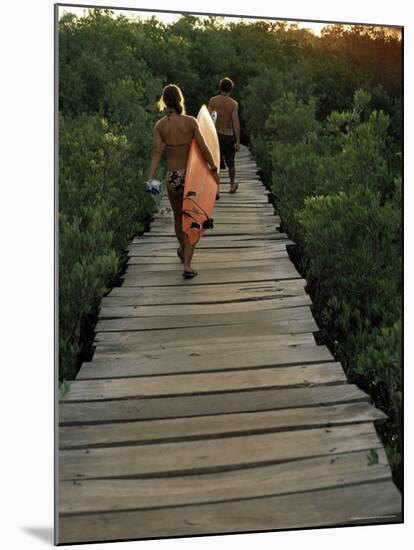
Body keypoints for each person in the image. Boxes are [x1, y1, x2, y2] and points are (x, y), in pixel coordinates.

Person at [147, 84, 220, 279]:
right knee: (193, 219)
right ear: (180, 99)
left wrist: (151, 177)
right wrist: (213, 169)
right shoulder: (190, 122)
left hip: (172, 177)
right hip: (190, 176)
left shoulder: (160, 126)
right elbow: (204, 147)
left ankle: (182, 248)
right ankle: (187, 264)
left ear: (164, 101)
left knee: (179, 217)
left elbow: (156, 153)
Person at [208, 77, 240, 193]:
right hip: (228, 135)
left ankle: (216, 188)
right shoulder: (233, 104)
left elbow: (208, 118)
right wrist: (237, 141)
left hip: (215, 135)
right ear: (231, 89)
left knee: (215, 162)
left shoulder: (213, 101)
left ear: (220, 88)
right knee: (231, 162)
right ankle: (231, 185)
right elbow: (235, 122)